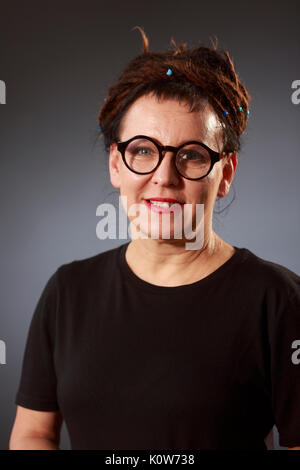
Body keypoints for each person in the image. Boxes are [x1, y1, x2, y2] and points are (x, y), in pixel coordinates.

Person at [9, 26, 300, 450]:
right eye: (143, 150)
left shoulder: (278, 302)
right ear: (116, 164)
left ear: (225, 174)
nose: (163, 177)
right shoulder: (67, 293)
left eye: (192, 155)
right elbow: (33, 433)